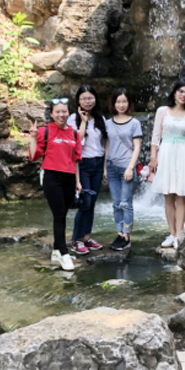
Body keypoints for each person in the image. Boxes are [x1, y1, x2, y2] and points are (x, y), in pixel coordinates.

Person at [29, 97, 82, 271]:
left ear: (68, 113)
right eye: (57, 112)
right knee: (59, 214)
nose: (61, 115)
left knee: (62, 215)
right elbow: (33, 156)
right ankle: (64, 253)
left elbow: (75, 160)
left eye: (64, 111)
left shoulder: (74, 134)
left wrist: (78, 181)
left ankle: (56, 249)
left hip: (69, 178)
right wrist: (33, 138)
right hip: (52, 177)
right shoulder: (45, 131)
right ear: (51, 114)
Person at [149, 80, 185, 249]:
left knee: (181, 195)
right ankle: (171, 233)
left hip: (183, 154)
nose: (183, 95)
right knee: (168, 195)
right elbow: (155, 137)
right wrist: (153, 158)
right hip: (165, 153)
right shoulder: (162, 111)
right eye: (181, 91)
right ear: (174, 93)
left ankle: (179, 234)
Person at [67, 85, 107, 256]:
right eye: (83, 98)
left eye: (90, 98)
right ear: (78, 101)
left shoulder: (100, 118)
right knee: (85, 202)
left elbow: (104, 144)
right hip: (82, 164)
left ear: (95, 99)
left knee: (92, 203)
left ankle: (86, 237)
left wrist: (104, 168)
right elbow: (77, 141)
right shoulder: (72, 119)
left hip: (97, 164)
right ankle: (76, 240)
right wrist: (83, 121)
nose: (87, 102)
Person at [105, 88, 143, 251]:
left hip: (126, 167)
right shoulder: (108, 123)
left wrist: (130, 168)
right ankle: (119, 233)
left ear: (129, 103)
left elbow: (137, 147)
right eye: (118, 102)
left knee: (125, 203)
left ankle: (126, 235)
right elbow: (107, 146)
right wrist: (105, 168)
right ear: (113, 104)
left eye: (124, 101)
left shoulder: (134, 123)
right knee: (116, 204)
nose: (121, 105)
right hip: (111, 167)